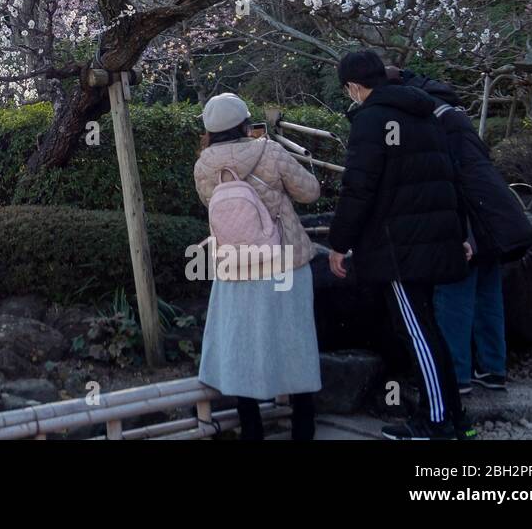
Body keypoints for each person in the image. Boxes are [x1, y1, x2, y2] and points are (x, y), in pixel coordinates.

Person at [328, 51, 470, 440]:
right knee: (428, 331)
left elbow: (359, 188)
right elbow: (450, 177)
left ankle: (437, 424)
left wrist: (339, 243)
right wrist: (461, 234)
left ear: (354, 87)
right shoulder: (425, 112)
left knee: (419, 335)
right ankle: (453, 419)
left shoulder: (371, 120)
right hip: (431, 238)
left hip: (399, 247)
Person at [387, 65, 532, 396]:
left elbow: (447, 179)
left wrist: (458, 232)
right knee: (487, 294)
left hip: (465, 218)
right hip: (493, 214)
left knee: (454, 297)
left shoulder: (426, 119)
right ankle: (494, 369)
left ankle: (456, 376)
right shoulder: (451, 111)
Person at [193, 92, 323, 440]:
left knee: (243, 344)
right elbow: (310, 192)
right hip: (284, 262)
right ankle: (303, 428)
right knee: (294, 340)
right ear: (244, 122)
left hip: (235, 265)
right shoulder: (271, 151)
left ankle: (251, 429)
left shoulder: (204, 165)